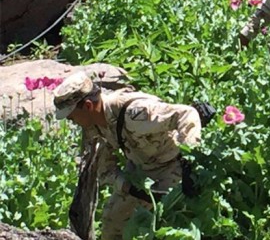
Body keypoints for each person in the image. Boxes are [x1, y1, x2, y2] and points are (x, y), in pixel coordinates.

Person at [53, 72, 201, 240]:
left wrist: (190, 166)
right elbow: (105, 169)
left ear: (88, 106)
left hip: (173, 165)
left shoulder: (134, 113)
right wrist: (130, 188)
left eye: (72, 116)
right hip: (139, 172)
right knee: (112, 222)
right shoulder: (93, 127)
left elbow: (187, 114)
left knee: (171, 224)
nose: (71, 121)